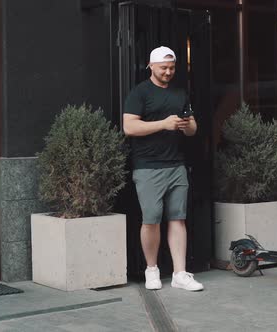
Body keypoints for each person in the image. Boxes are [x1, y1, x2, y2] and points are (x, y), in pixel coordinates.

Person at [123, 46, 203, 291]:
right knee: (151, 219)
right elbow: (129, 128)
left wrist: (186, 125)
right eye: (163, 68)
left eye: (171, 68)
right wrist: (164, 124)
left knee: (178, 219)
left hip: (176, 165)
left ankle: (180, 273)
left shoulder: (180, 93)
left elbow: (193, 130)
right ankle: (152, 270)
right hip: (148, 167)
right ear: (151, 66)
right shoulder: (140, 93)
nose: (168, 72)